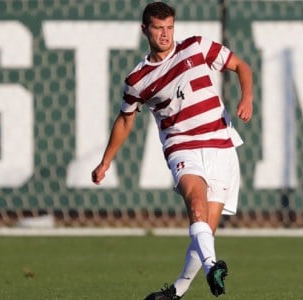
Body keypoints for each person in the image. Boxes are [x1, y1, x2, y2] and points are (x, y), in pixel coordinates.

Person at [91, 2, 253, 299]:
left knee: (205, 232)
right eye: (158, 28)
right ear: (145, 30)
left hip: (220, 143)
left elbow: (241, 66)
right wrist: (105, 162)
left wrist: (247, 98)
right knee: (196, 206)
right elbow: (125, 120)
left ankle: (176, 291)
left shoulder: (196, 47)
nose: (165, 35)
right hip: (182, 147)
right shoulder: (137, 80)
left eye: (169, 27)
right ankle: (212, 268)